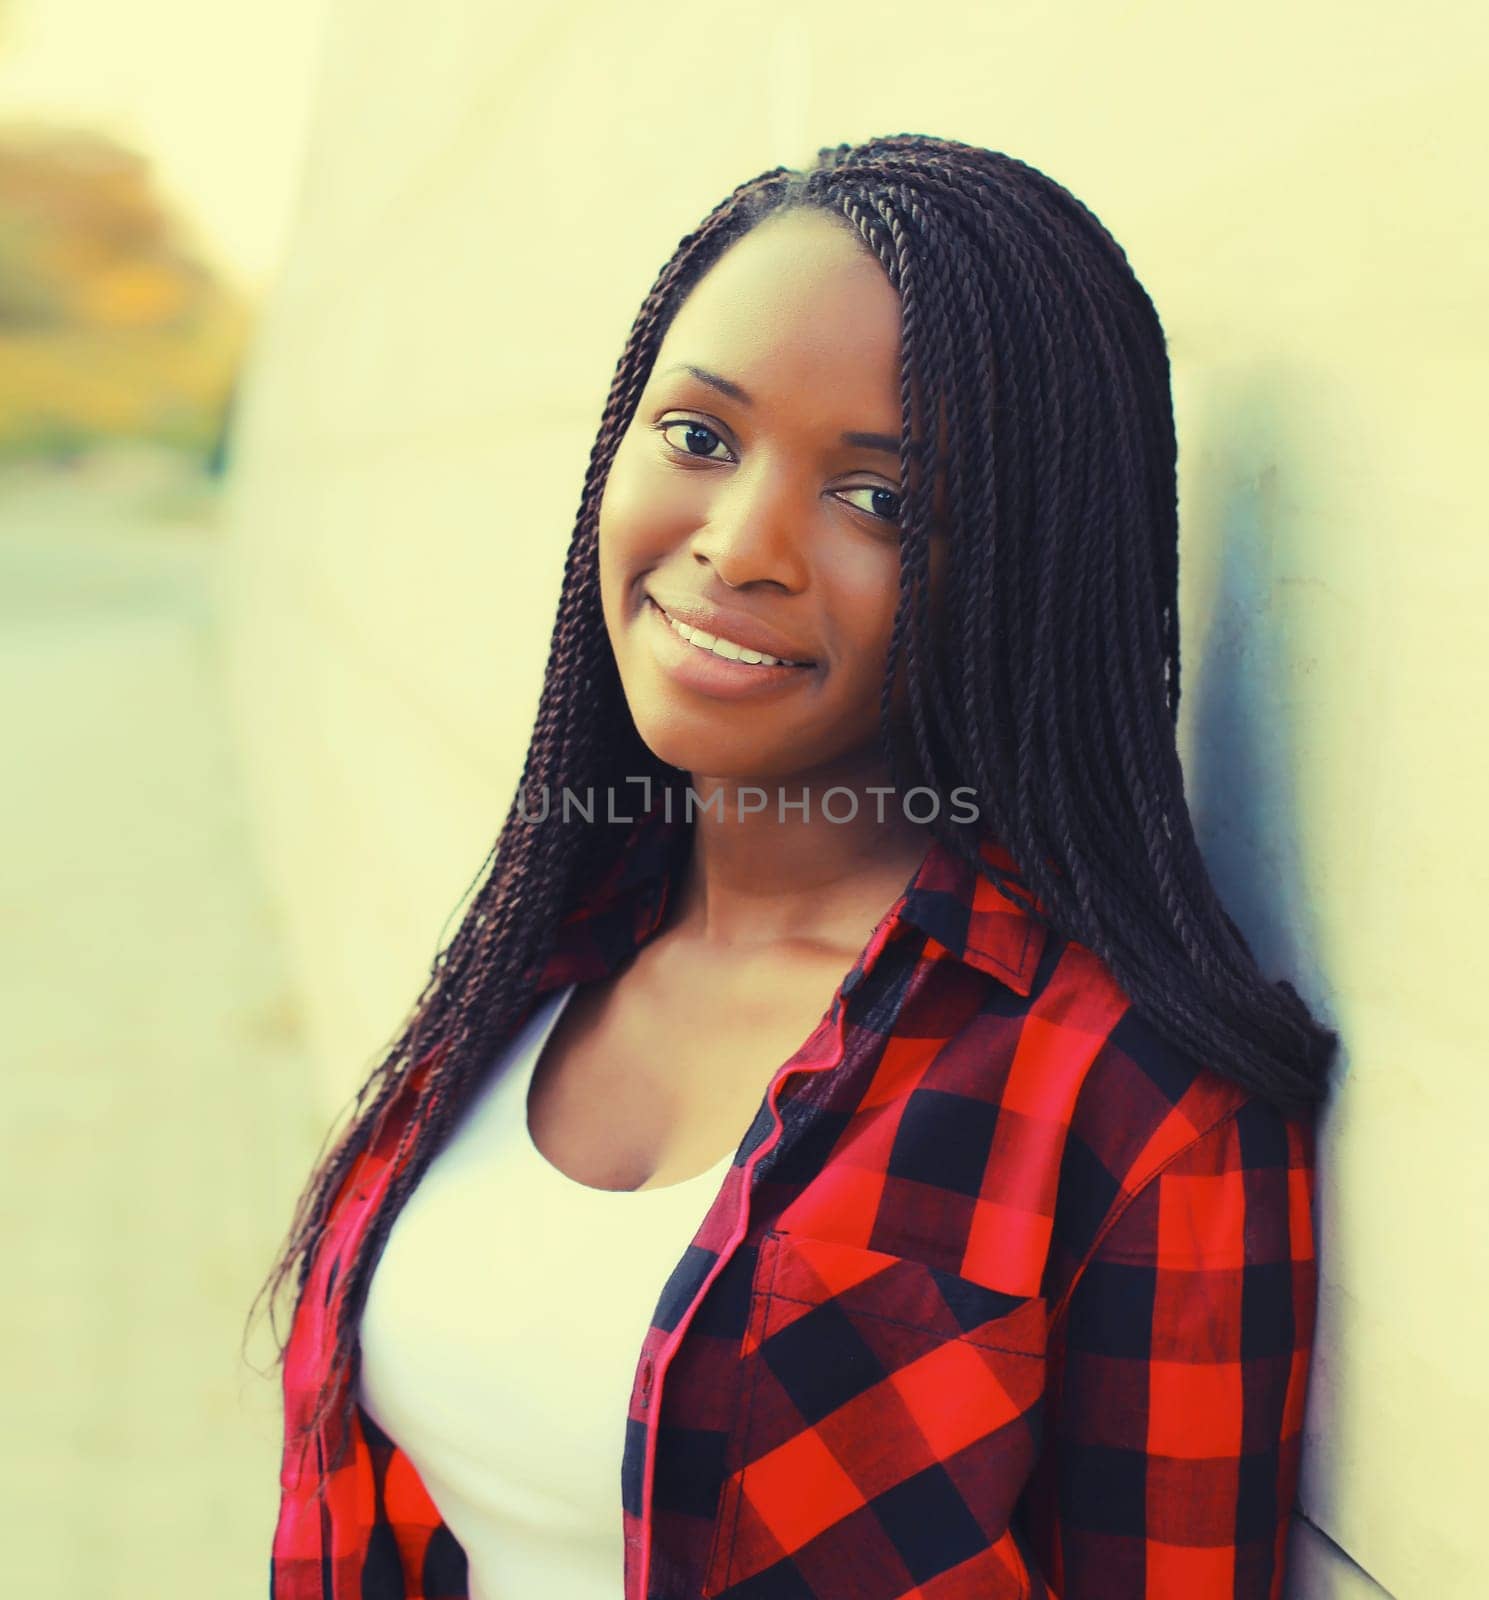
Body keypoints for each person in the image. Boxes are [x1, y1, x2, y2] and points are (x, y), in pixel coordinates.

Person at [258, 133, 1336, 1600]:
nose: (740, 545)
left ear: (1019, 564)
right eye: (698, 437)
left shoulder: (1119, 1099)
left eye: (881, 500)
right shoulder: (548, 944)